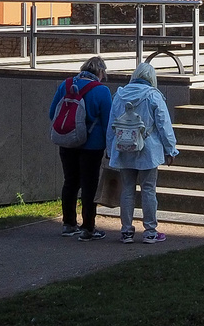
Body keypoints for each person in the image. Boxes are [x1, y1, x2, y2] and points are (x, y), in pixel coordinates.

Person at [106, 61, 178, 244]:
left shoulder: (120, 95)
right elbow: (164, 125)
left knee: (127, 189)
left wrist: (109, 149)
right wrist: (171, 149)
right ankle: (150, 231)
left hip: (123, 148)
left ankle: (126, 231)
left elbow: (111, 126)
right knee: (148, 189)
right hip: (148, 150)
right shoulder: (153, 96)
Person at [49, 56, 112, 241]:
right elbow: (108, 122)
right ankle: (88, 228)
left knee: (70, 182)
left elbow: (53, 113)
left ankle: (68, 224)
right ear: (100, 72)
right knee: (89, 186)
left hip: (67, 141)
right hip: (92, 146)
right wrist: (111, 147)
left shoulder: (66, 85)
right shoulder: (102, 91)